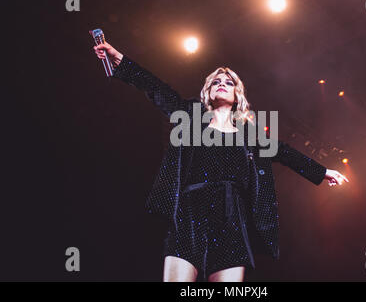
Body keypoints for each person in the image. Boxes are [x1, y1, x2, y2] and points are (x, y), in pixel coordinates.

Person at [93, 42, 349, 282]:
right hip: (189, 217)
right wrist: (121, 61)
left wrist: (323, 171)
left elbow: (284, 152)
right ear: (208, 91)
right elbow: (158, 90)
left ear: (238, 95)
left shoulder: (250, 134)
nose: (222, 84)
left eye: (229, 82)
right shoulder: (191, 118)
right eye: (216, 82)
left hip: (231, 221)